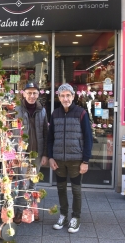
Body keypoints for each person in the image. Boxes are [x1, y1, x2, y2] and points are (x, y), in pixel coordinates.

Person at [47, 83, 93, 233]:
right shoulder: (55, 114)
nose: (65, 98)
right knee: (61, 189)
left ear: (73, 96)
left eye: (68, 95)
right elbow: (50, 138)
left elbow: (88, 138)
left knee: (76, 190)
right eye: (62, 95)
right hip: (59, 159)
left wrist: (85, 161)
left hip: (76, 159)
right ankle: (63, 215)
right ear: (58, 97)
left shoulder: (81, 113)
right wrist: (51, 157)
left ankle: (76, 217)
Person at [13, 82, 48, 225]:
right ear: (24, 93)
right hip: (22, 154)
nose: (32, 96)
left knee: (33, 182)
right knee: (23, 183)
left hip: (37, 154)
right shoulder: (17, 110)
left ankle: (31, 209)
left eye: (34, 93)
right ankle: (20, 211)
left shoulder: (42, 111)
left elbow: (46, 133)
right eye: (29, 93)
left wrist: (45, 153)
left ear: (38, 95)